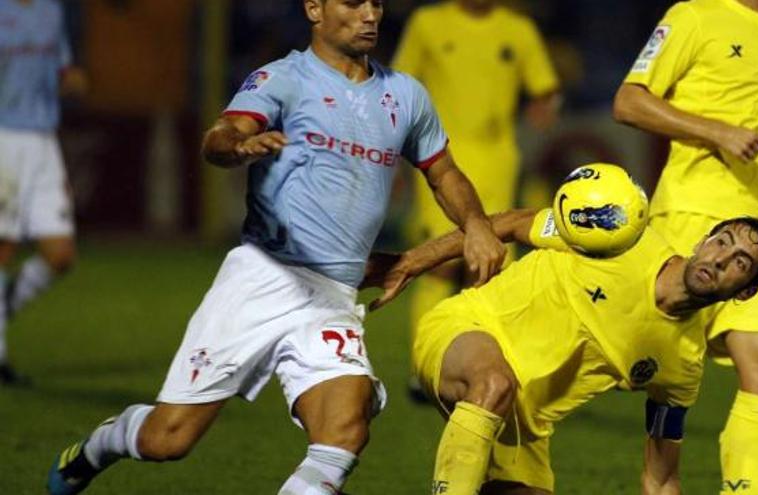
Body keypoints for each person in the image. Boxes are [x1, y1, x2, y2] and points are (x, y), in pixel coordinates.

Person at [45, 1, 505, 494]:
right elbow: (219, 138)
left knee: (344, 432)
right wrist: (237, 147)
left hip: (333, 295)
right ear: (314, 8)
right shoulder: (284, 78)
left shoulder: (405, 95)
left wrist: (475, 223)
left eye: (376, 2)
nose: (369, 14)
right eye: (353, 3)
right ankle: (101, 444)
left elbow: (443, 173)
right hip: (263, 277)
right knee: (168, 440)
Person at [367, 207, 758, 495]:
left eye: (740, 262)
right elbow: (510, 224)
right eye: (721, 242)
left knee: (500, 396)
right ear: (702, 242)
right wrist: (409, 262)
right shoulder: (623, 238)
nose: (721, 258)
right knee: (493, 382)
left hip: (521, 425)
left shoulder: (682, 366)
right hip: (465, 329)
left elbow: (661, 479)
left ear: (746, 292)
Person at [612, 1, 758, 492]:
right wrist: (717, 132)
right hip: (689, 219)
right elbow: (627, 102)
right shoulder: (693, 15)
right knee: (672, 385)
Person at [392, 0, 561, 381]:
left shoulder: (518, 30)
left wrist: (544, 109)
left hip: (498, 160)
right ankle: (426, 367)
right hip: (440, 155)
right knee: (442, 262)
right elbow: (401, 82)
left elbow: (545, 89)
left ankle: (495, 362)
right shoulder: (428, 23)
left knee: (494, 265)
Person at [0, 0, 88, 384]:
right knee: (3, 247)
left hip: (42, 138)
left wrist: (71, 79)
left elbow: (62, 69)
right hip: (4, 135)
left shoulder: (51, 9)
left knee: (60, 253)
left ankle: (2, 311)